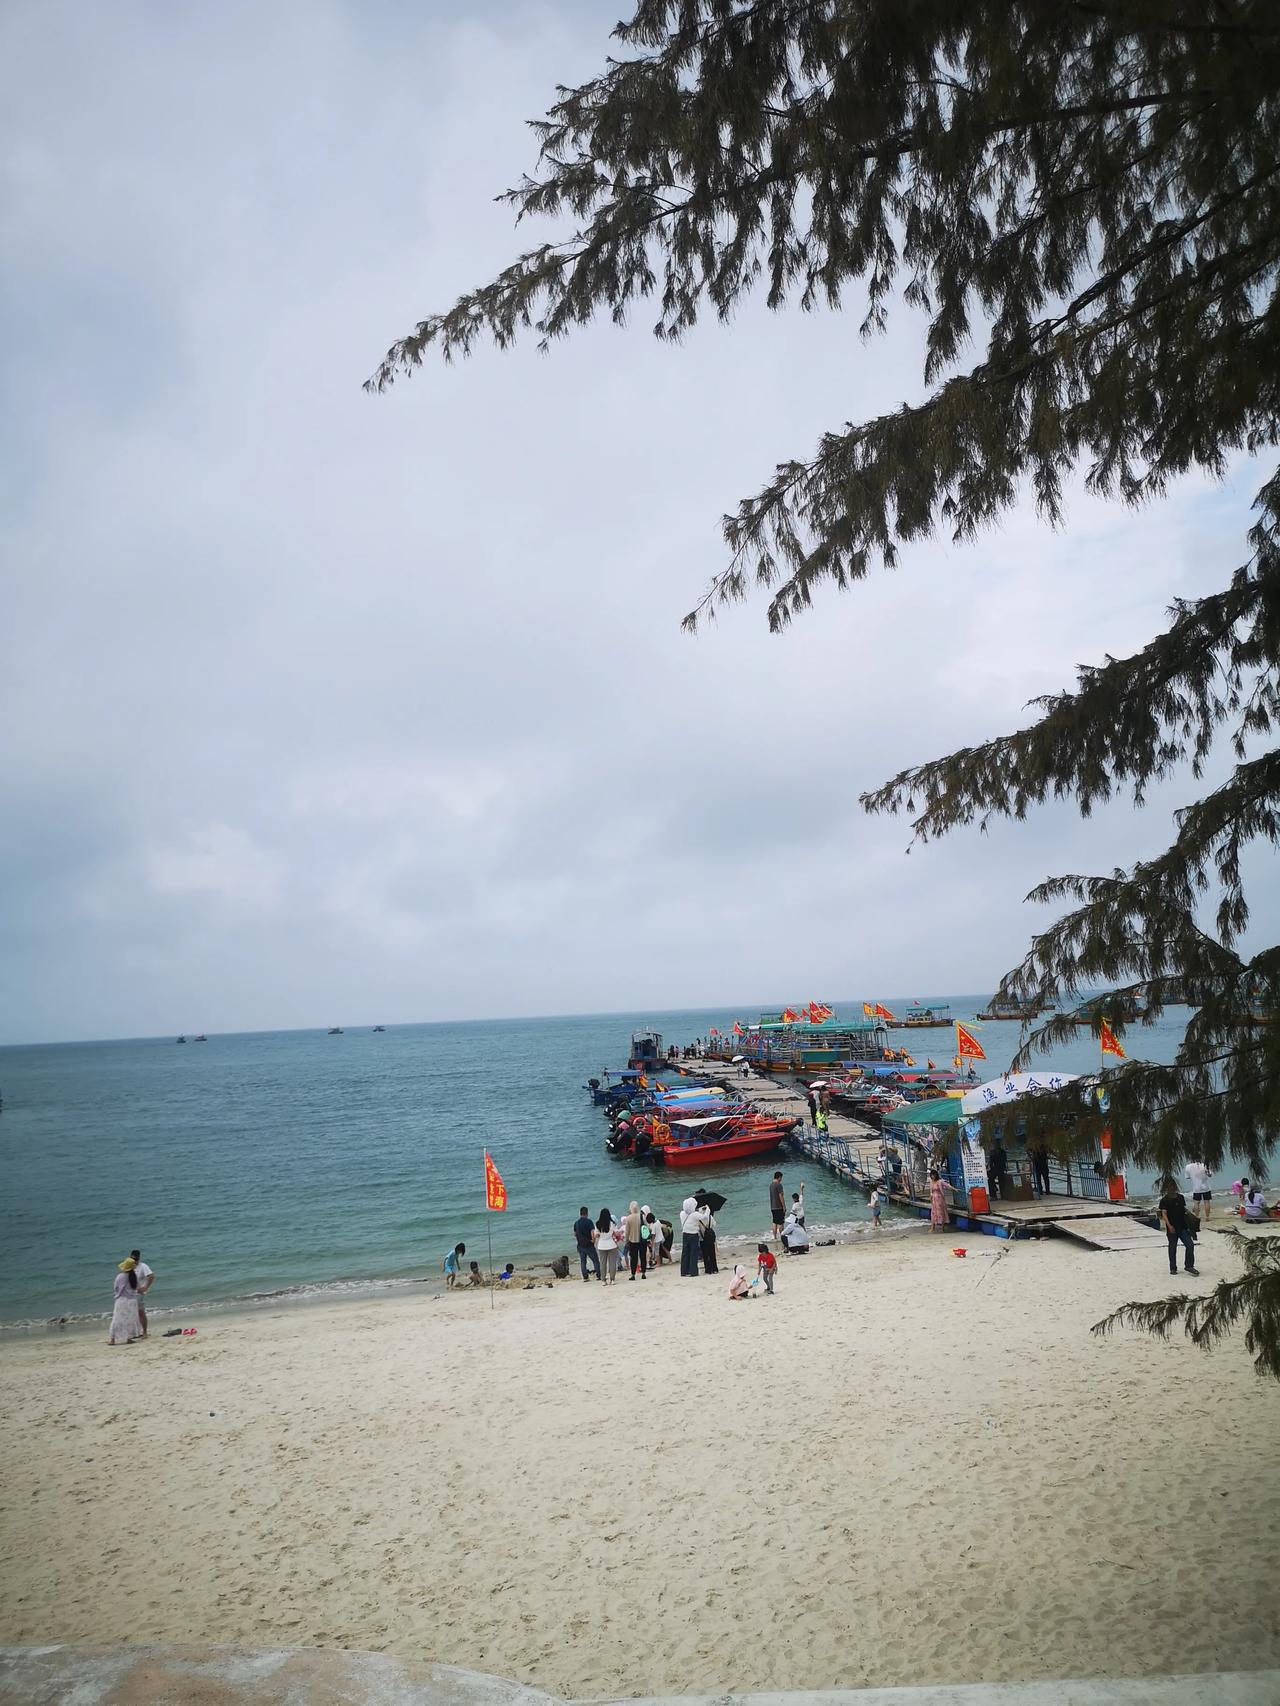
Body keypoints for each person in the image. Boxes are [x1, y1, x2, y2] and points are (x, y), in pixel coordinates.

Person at [1158, 1180, 1199, 1274]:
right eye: (1169, 1187)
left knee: (1190, 1245)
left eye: (1173, 1186)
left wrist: (1191, 1216)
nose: (1172, 1189)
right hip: (1172, 1227)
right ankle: (1173, 1268)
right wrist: (1169, 1226)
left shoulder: (1180, 1197)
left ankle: (1189, 1266)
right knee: (1172, 1248)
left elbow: (1183, 1209)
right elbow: (1164, 1214)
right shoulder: (1164, 1200)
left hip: (1183, 1226)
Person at [108, 1257, 143, 1346]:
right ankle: (129, 1338)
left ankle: (112, 1339)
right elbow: (137, 1288)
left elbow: (116, 1288)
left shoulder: (120, 1276)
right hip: (132, 1301)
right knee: (130, 1319)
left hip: (122, 1300)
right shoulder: (134, 1276)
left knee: (117, 1319)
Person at [680, 1197, 708, 1276]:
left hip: (685, 1234)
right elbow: (704, 1217)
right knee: (693, 1253)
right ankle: (693, 1272)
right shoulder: (695, 1214)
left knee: (685, 1253)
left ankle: (684, 1271)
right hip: (693, 1235)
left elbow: (691, 1215)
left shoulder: (682, 1213)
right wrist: (707, 1209)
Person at [130, 1249, 155, 1337]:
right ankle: (135, 1332)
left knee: (140, 1312)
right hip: (129, 1293)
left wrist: (145, 1287)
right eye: (133, 1259)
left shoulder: (143, 1266)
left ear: (139, 1258)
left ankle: (144, 1332)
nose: (134, 1261)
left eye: (136, 1259)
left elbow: (151, 1276)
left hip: (138, 1294)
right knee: (132, 1313)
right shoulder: (129, 1266)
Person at [574, 1207, 601, 1281]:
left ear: (580, 1213)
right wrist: (593, 1240)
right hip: (589, 1244)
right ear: (587, 1213)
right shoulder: (589, 1221)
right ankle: (599, 1275)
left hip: (580, 1245)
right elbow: (592, 1232)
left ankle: (585, 1277)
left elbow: (575, 1233)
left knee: (583, 1262)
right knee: (595, 1260)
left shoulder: (576, 1223)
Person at [624, 1201, 647, 1280]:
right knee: (643, 1256)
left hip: (633, 1240)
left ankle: (633, 1274)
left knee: (633, 1258)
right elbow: (646, 1227)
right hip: (642, 1240)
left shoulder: (628, 1218)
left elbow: (627, 1232)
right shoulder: (642, 1216)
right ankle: (643, 1273)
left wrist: (626, 1240)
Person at [596, 1209, 620, 1282]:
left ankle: (603, 1280)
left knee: (602, 1264)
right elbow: (617, 1233)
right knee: (612, 1263)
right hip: (611, 1244)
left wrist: (600, 1234)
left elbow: (596, 1235)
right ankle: (612, 1279)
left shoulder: (597, 1224)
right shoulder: (612, 1223)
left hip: (601, 1245)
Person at [701, 1202, 719, 1274]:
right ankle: (714, 1268)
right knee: (712, 1253)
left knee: (705, 1254)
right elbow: (714, 1224)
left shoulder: (700, 1218)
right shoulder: (710, 1217)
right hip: (710, 1236)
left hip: (703, 1238)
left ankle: (708, 1269)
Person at [769, 1171, 786, 1241]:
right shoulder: (779, 1185)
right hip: (779, 1206)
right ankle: (782, 1237)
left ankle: (775, 1237)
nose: (781, 1179)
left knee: (774, 1222)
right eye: (781, 1178)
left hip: (772, 1207)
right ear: (779, 1177)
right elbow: (781, 1196)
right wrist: (784, 1206)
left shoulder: (771, 1185)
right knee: (781, 1223)